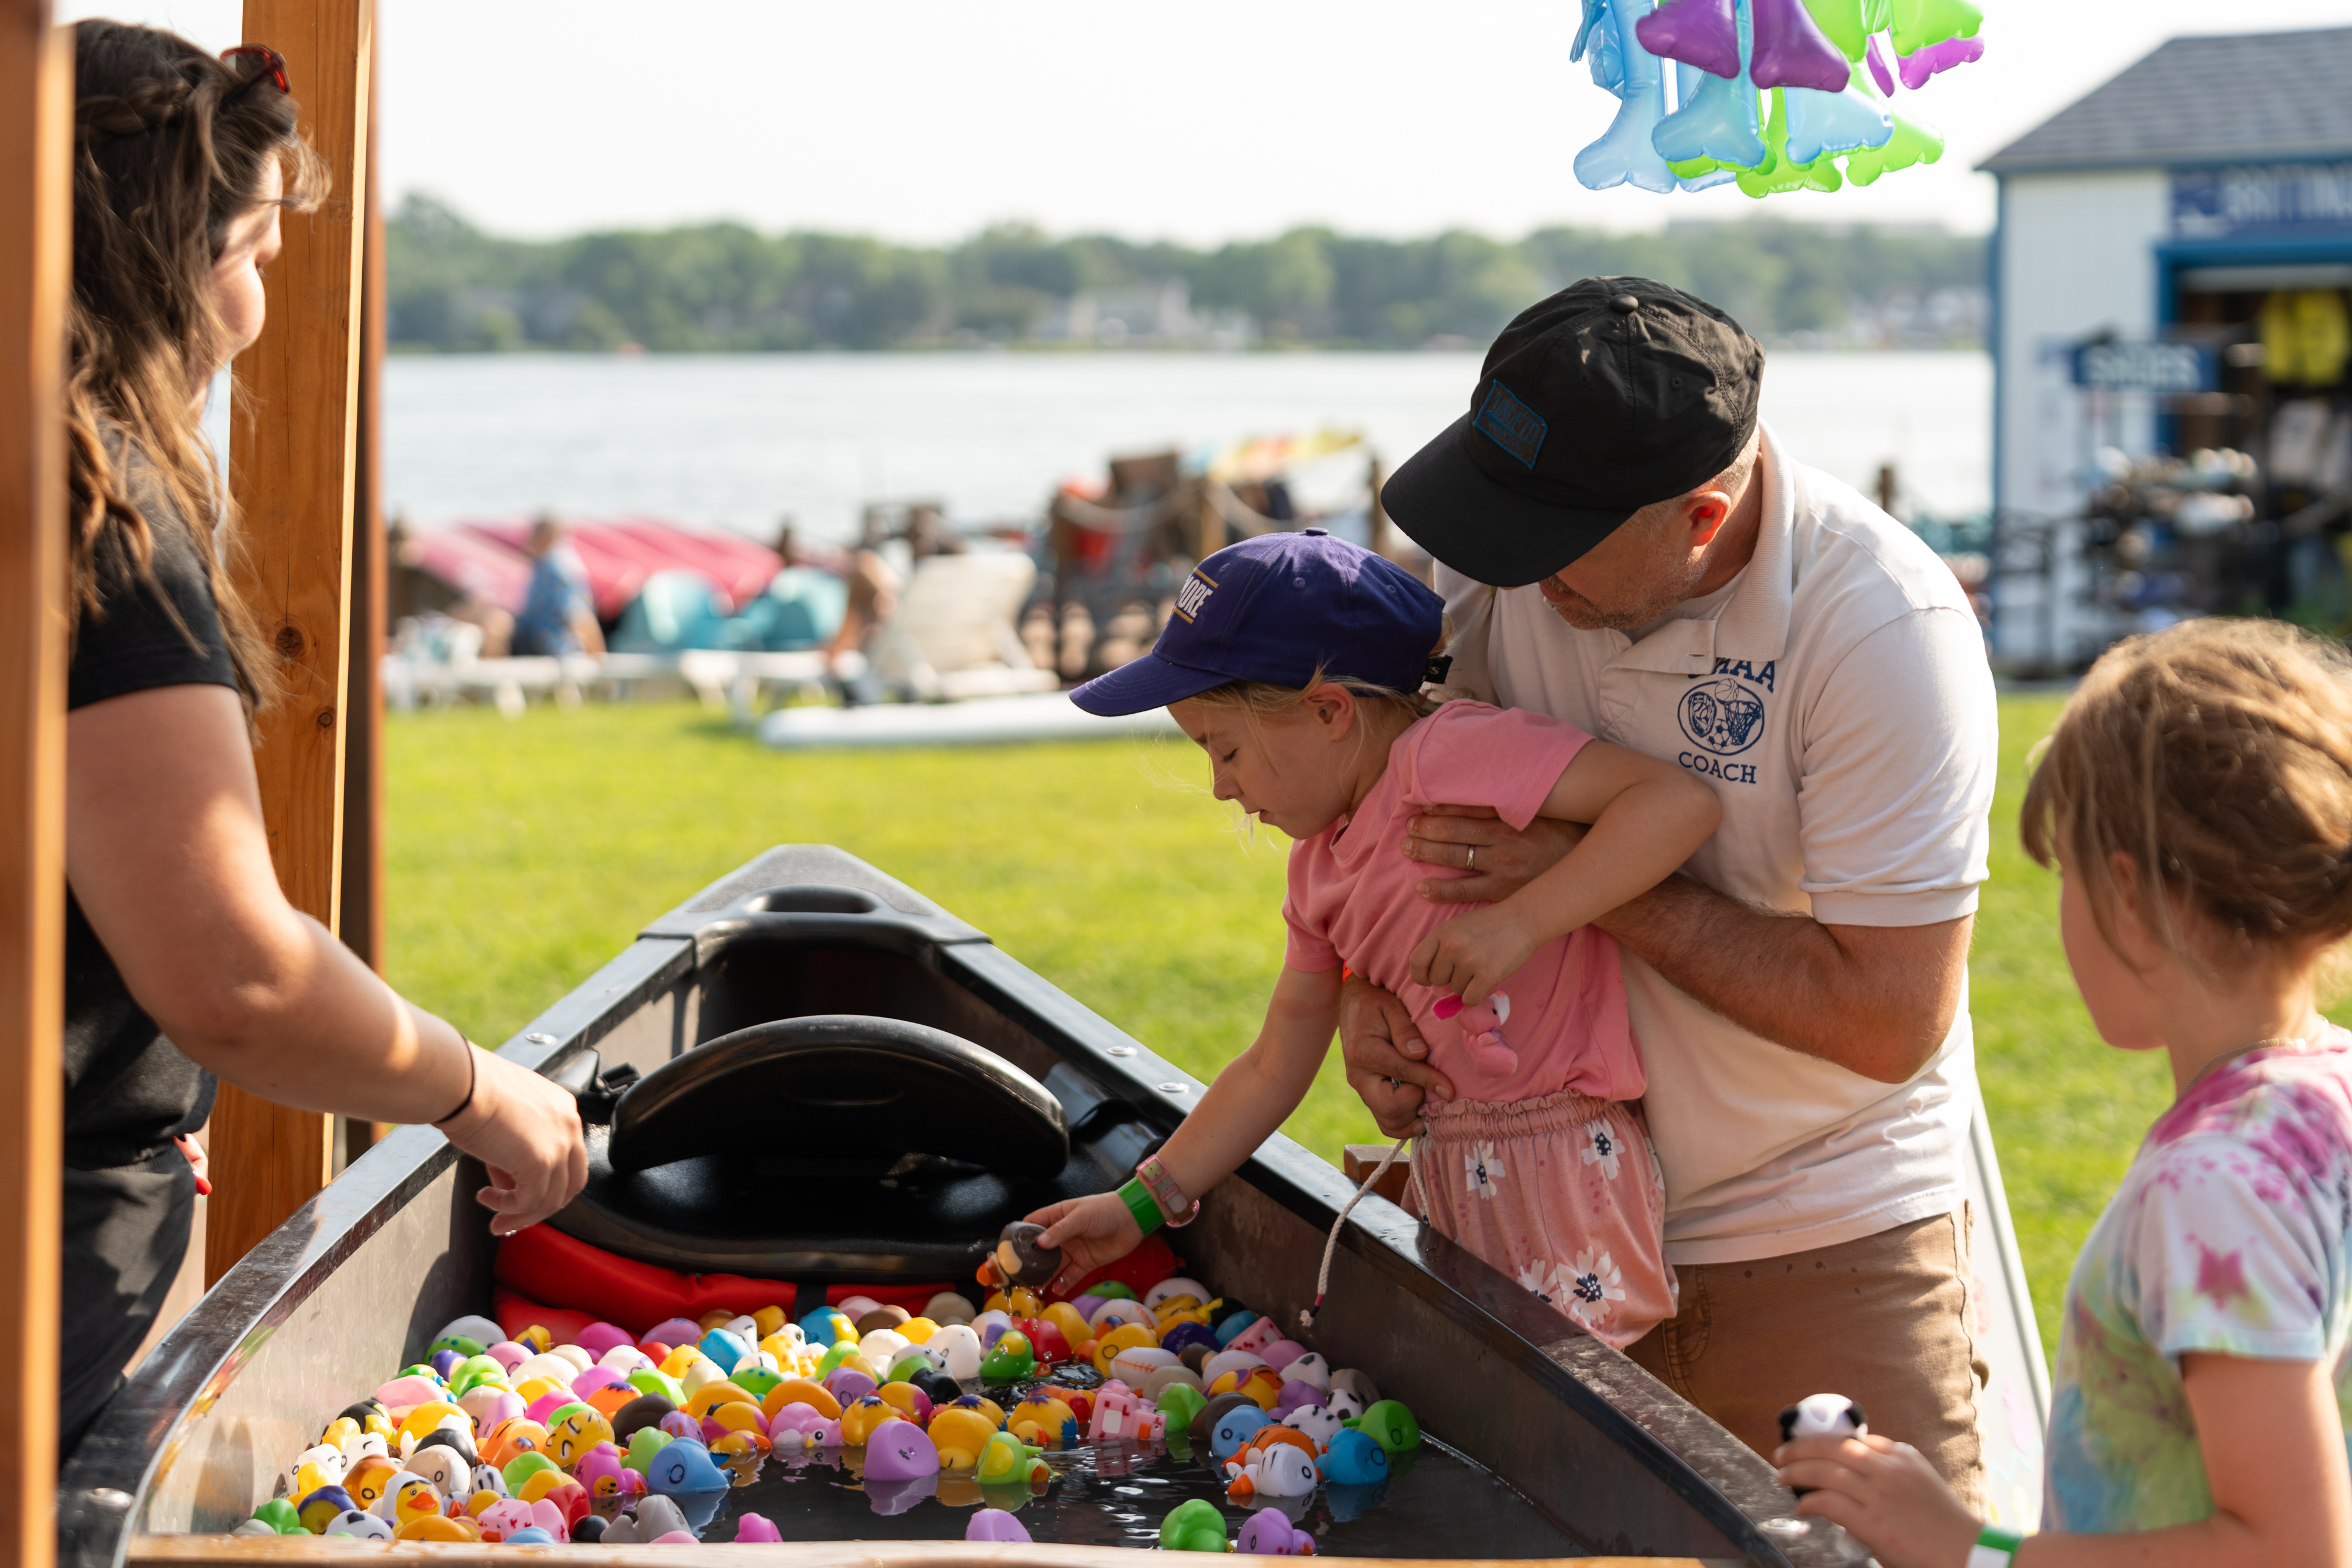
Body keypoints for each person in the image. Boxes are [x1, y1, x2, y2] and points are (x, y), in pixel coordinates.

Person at [1351, 277, 1999, 1497]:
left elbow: (1886, 1019)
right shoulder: (1501, 558)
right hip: (1527, 1226)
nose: (1506, 575)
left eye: (1551, 548)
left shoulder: (1877, 630)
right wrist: (1360, 996)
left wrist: (1585, 885)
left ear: (1701, 516)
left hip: (1815, 1237)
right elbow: (1383, 805)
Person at [60, 22, 586, 1460]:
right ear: (167, 256)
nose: (263, 288)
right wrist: (474, 1087)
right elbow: (230, 974)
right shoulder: (85, 523)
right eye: (253, 246)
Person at [1024, 530, 1721, 1349]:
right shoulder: (1315, 875)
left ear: (1327, 710)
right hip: (1449, 1176)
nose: (1218, 786)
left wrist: (1527, 917)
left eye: (1227, 748)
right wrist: (1136, 1204)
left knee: (1577, 1411)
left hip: (1567, 1159)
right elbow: (1272, 1063)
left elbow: (1675, 802)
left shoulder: (1452, 755)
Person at [1779, 618, 2352, 1568]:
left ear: (2126, 891)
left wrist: (1971, 1550)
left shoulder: (2215, 1184)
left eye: (2069, 874)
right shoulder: (2321, 1090)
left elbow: (2290, 1549)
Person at [509, 513, 604, 657]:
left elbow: (578, 612)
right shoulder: (546, 562)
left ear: (546, 535)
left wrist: (597, 655)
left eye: (534, 533)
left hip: (551, 645)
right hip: (543, 641)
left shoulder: (557, 567)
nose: (529, 538)